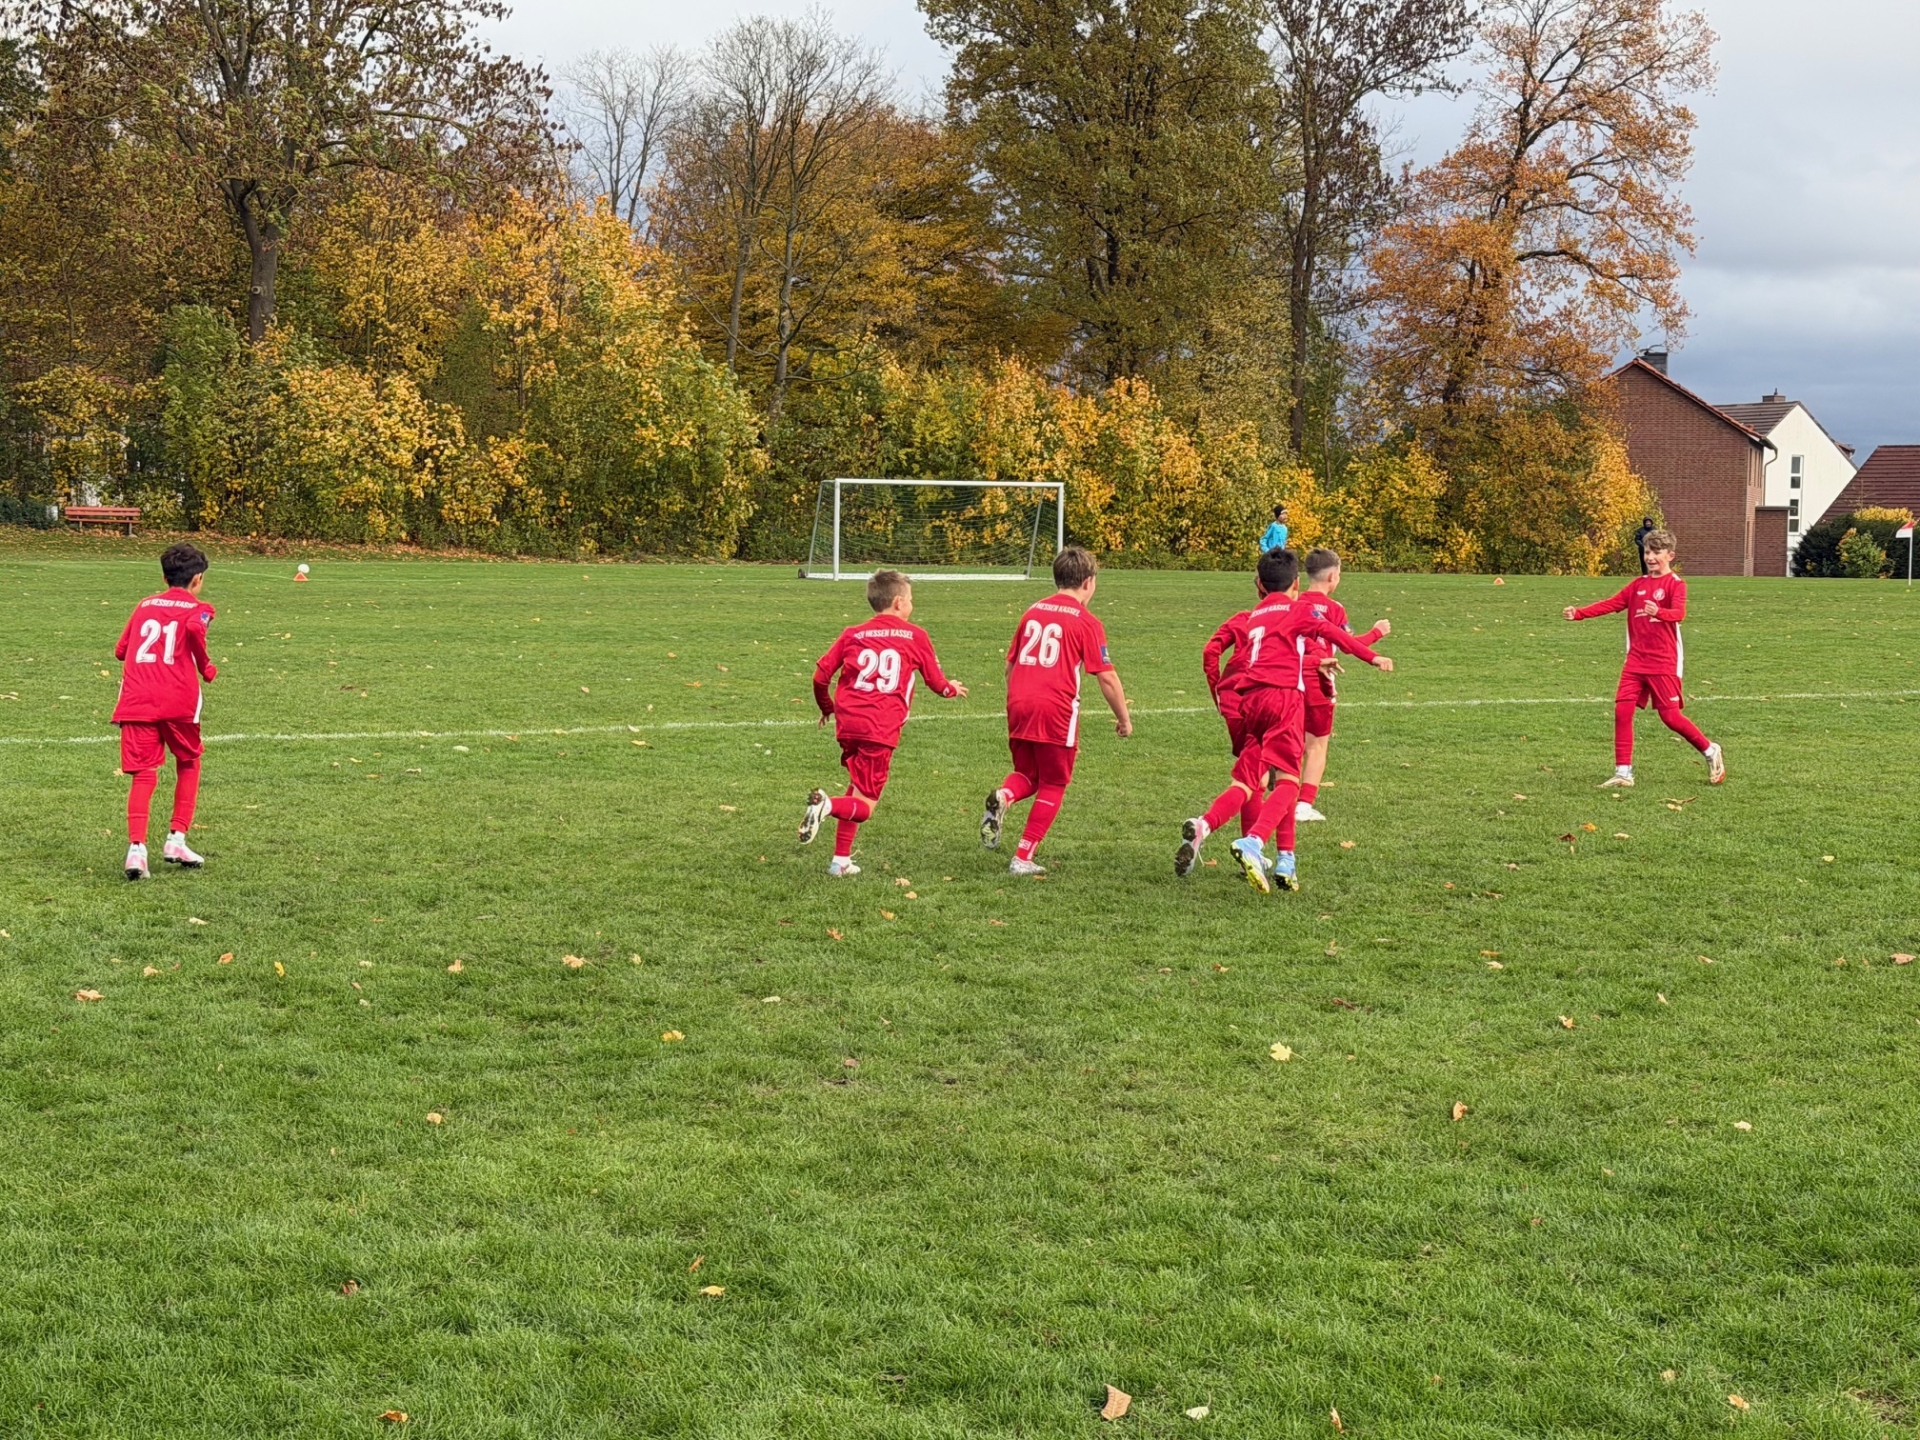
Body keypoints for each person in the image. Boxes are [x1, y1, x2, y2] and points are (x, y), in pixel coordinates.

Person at [1178, 549, 1393, 893]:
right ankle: (1254, 842)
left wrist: (1312, 664)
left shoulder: (1255, 615)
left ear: (1260, 585)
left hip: (1251, 702)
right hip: (1283, 700)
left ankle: (1273, 855)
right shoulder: (1298, 610)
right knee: (1289, 780)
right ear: (1296, 583)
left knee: (1249, 779)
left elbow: (1273, 654)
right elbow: (1334, 636)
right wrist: (1373, 656)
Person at [800, 570, 967, 876]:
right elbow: (937, 684)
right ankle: (826, 805)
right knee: (865, 805)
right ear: (899, 602)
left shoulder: (852, 633)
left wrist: (827, 707)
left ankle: (840, 861)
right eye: (911, 600)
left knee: (857, 785)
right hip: (879, 728)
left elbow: (820, 677)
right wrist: (952, 689)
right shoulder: (916, 636)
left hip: (848, 724)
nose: (912, 605)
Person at [981, 546, 1131, 875]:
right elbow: (1106, 677)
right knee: (1054, 783)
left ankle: (1004, 795)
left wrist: (1018, 698)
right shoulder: (1087, 621)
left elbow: (1009, 665)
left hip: (1018, 704)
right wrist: (1124, 718)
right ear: (1088, 582)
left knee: (1027, 775)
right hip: (1055, 709)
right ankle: (1023, 857)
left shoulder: (1032, 611)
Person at [1564, 528, 1725, 788]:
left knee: (1670, 717)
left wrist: (1659, 612)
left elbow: (1679, 614)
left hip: (1663, 661)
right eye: (1647, 552)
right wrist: (1579, 613)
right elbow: (1612, 603)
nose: (1650, 557)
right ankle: (1623, 773)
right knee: (1622, 710)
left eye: (1656, 552)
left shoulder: (1676, 584)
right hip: (1636, 660)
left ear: (1670, 555)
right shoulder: (1638, 585)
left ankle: (1710, 750)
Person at [113, 542, 218, 880]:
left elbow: (120, 650)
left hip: (137, 699)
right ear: (198, 579)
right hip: (178, 700)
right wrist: (206, 666)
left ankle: (136, 850)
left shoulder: (144, 605)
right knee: (188, 761)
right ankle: (176, 839)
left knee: (144, 773)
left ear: (164, 577)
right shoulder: (201, 608)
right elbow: (195, 628)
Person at [1295, 548, 1390, 823]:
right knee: (1317, 744)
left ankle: (1280, 791)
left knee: (1290, 739)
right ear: (1333, 576)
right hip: (1320, 678)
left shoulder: (1295, 602)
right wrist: (1377, 633)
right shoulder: (1335, 609)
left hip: (1290, 678)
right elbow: (1349, 644)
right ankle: (1303, 805)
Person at [1190, 572, 1268, 856]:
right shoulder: (1289, 619)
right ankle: (1205, 825)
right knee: (1251, 778)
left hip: (1232, 702)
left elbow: (1210, 651)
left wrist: (1218, 691)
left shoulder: (1242, 619)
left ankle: (1250, 850)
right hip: (1264, 703)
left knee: (1255, 776)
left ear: (1259, 590)